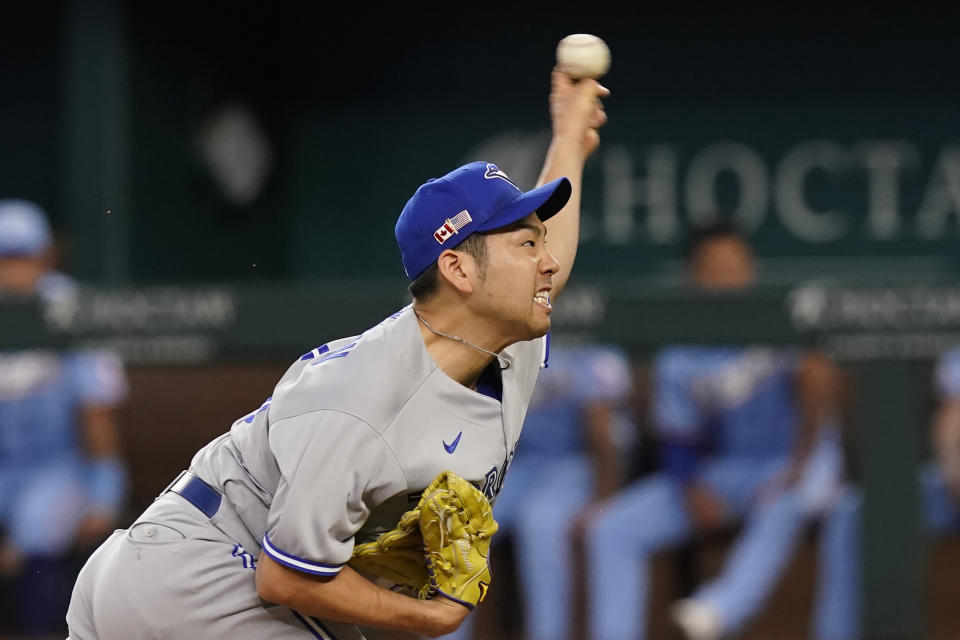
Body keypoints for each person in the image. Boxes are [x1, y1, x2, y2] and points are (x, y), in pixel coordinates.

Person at [66, 68, 609, 639]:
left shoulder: (502, 336)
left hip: (191, 570)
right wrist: (433, 617)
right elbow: (285, 579)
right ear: (458, 269)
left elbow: (555, 259)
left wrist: (569, 138)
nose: (546, 261)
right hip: (200, 572)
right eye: (526, 244)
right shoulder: (362, 399)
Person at [584, 219, 846, 640]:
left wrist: (800, 461)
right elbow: (677, 437)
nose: (729, 279)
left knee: (783, 500)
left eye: (737, 266)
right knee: (611, 529)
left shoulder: (786, 318)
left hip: (804, 460)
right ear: (693, 277)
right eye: (715, 269)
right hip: (732, 469)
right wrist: (691, 488)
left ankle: (720, 610)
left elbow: (821, 389)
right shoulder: (682, 348)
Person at [442, 342, 636, 640]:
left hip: (574, 463)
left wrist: (605, 497)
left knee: (542, 525)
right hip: (511, 462)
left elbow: (604, 435)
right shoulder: (497, 334)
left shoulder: (591, 341)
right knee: (461, 523)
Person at [0, 200, 129, 635]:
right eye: (3, 259)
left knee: (38, 526)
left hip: (58, 466)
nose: (12, 271)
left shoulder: (69, 308)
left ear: (44, 258)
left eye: (21, 258)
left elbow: (96, 410)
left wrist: (104, 489)